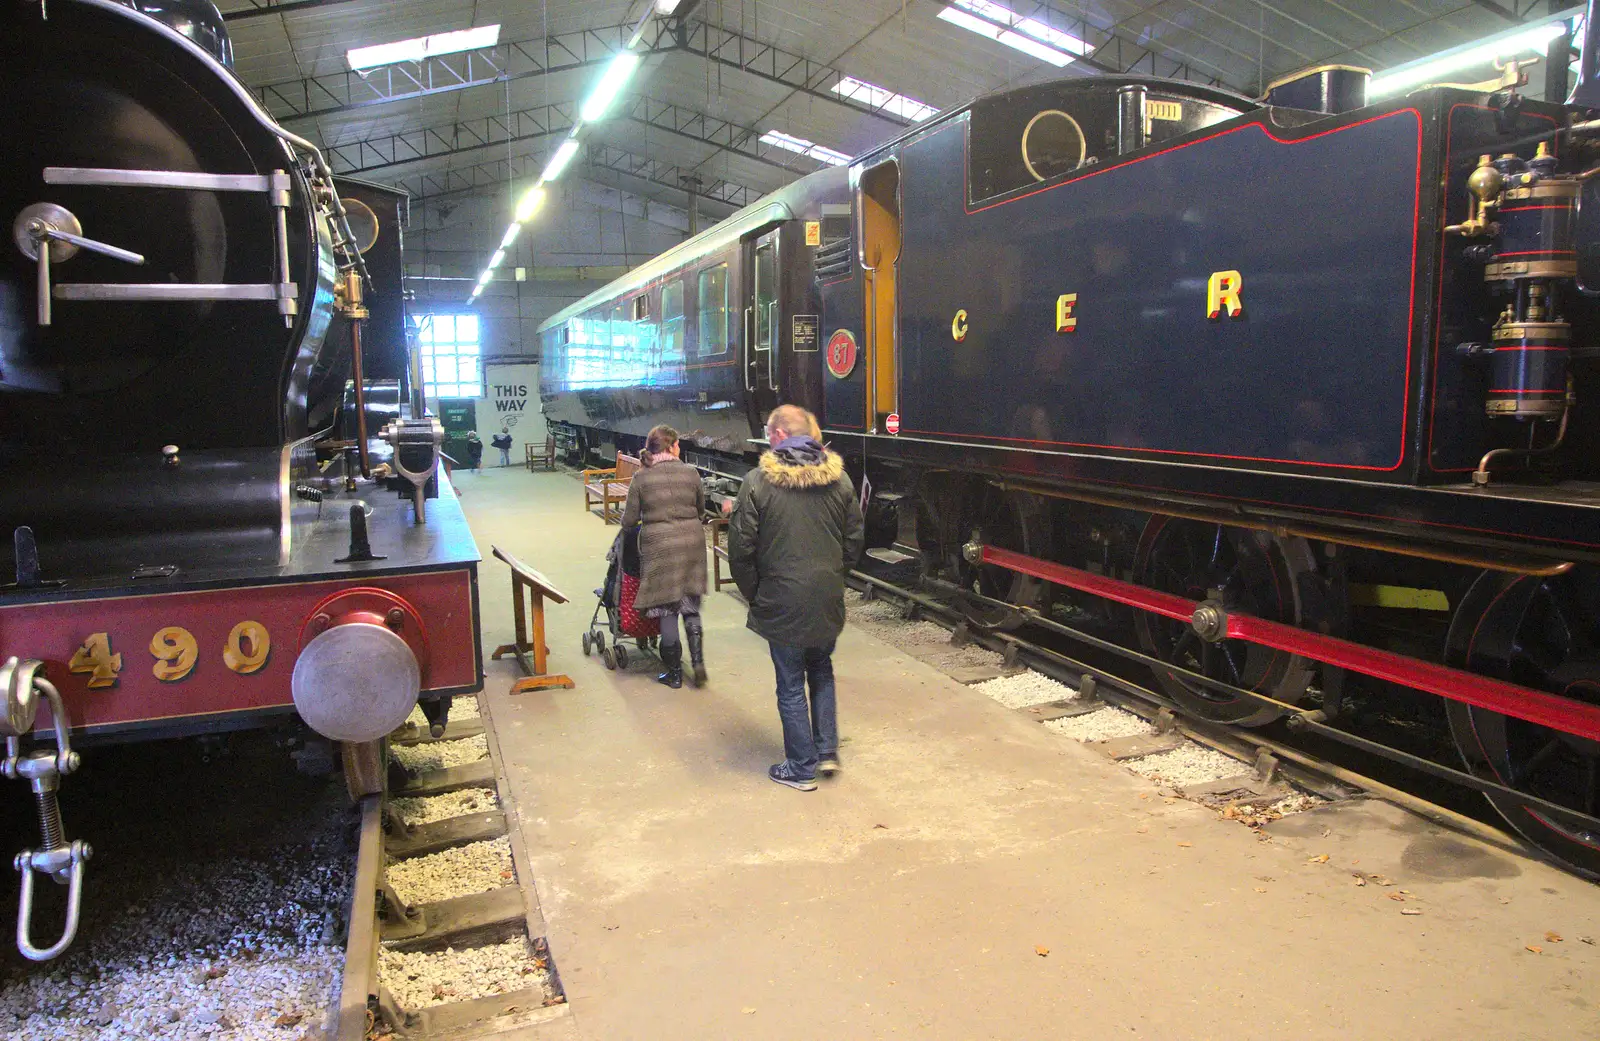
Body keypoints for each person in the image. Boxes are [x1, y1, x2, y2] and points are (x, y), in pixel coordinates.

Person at [728, 405, 864, 791]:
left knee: (789, 683)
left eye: (768, 435)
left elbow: (740, 549)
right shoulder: (840, 482)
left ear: (778, 435)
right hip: (825, 597)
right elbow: (854, 541)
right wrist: (835, 579)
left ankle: (800, 768)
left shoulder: (756, 482)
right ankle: (826, 752)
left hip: (781, 597)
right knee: (821, 670)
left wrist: (756, 593)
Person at [620, 425, 709, 689]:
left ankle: (673, 673)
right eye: (678, 444)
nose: (680, 448)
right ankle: (698, 663)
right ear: (671, 447)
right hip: (692, 544)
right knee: (690, 605)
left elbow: (629, 519)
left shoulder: (641, 477)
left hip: (660, 547)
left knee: (667, 610)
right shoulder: (691, 472)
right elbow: (701, 509)